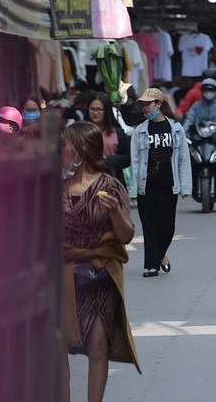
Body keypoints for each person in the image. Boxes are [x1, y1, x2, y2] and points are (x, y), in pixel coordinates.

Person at [61, 122, 139, 402]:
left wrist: (116, 212)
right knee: (59, 349)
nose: (61, 149)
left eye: (66, 144)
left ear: (81, 149)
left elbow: (127, 235)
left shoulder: (111, 186)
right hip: (65, 278)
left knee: (97, 347)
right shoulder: (60, 189)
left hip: (99, 276)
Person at [129, 88, 192, 278]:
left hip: (168, 184)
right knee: (148, 225)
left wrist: (185, 185)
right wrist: (133, 190)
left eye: (148, 104)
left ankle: (160, 254)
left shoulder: (175, 129)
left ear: (159, 104)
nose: (145, 108)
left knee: (167, 224)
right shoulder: (139, 132)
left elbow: (183, 159)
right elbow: (135, 162)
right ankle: (151, 265)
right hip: (145, 185)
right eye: (143, 104)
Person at [183, 78, 216, 197]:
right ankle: (189, 184)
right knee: (191, 159)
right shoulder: (196, 106)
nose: (208, 92)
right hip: (198, 139)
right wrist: (183, 130)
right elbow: (190, 119)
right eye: (206, 90)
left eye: (211, 90)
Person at [86, 92, 131, 184]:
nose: (95, 113)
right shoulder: (80, 131)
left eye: (99, 109)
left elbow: (128, 158)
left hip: (111, 182)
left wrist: (110, 160)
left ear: (106, 111)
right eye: (92, 109)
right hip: (85, 181)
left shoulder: (118, 133)